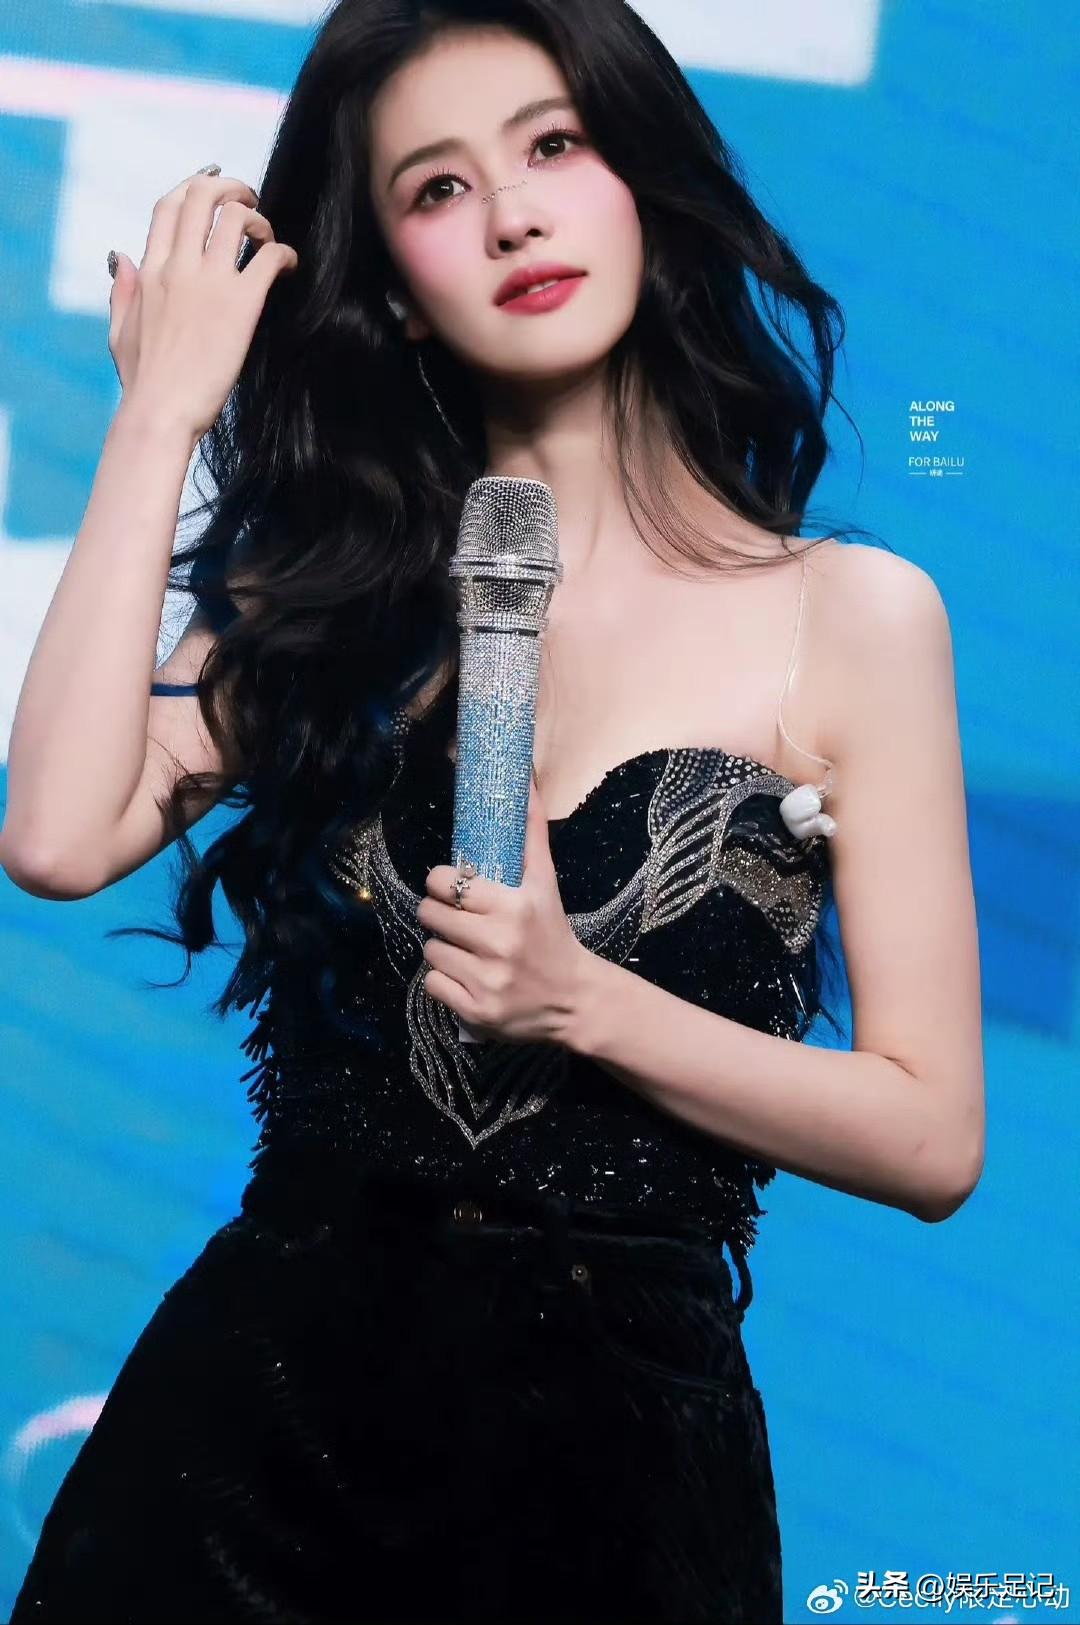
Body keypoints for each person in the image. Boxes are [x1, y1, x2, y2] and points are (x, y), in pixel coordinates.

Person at [0, 0, 985, 1619]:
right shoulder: (331, 594)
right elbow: (53, 834)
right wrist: (161, 412)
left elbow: (933, 1133)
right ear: (392, 282)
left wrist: (582, 998)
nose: (513, 214)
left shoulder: (853, 617)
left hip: (618, 1485)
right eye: (439, 187)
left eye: (554, 146)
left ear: (642, 182)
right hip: (250, 1458)